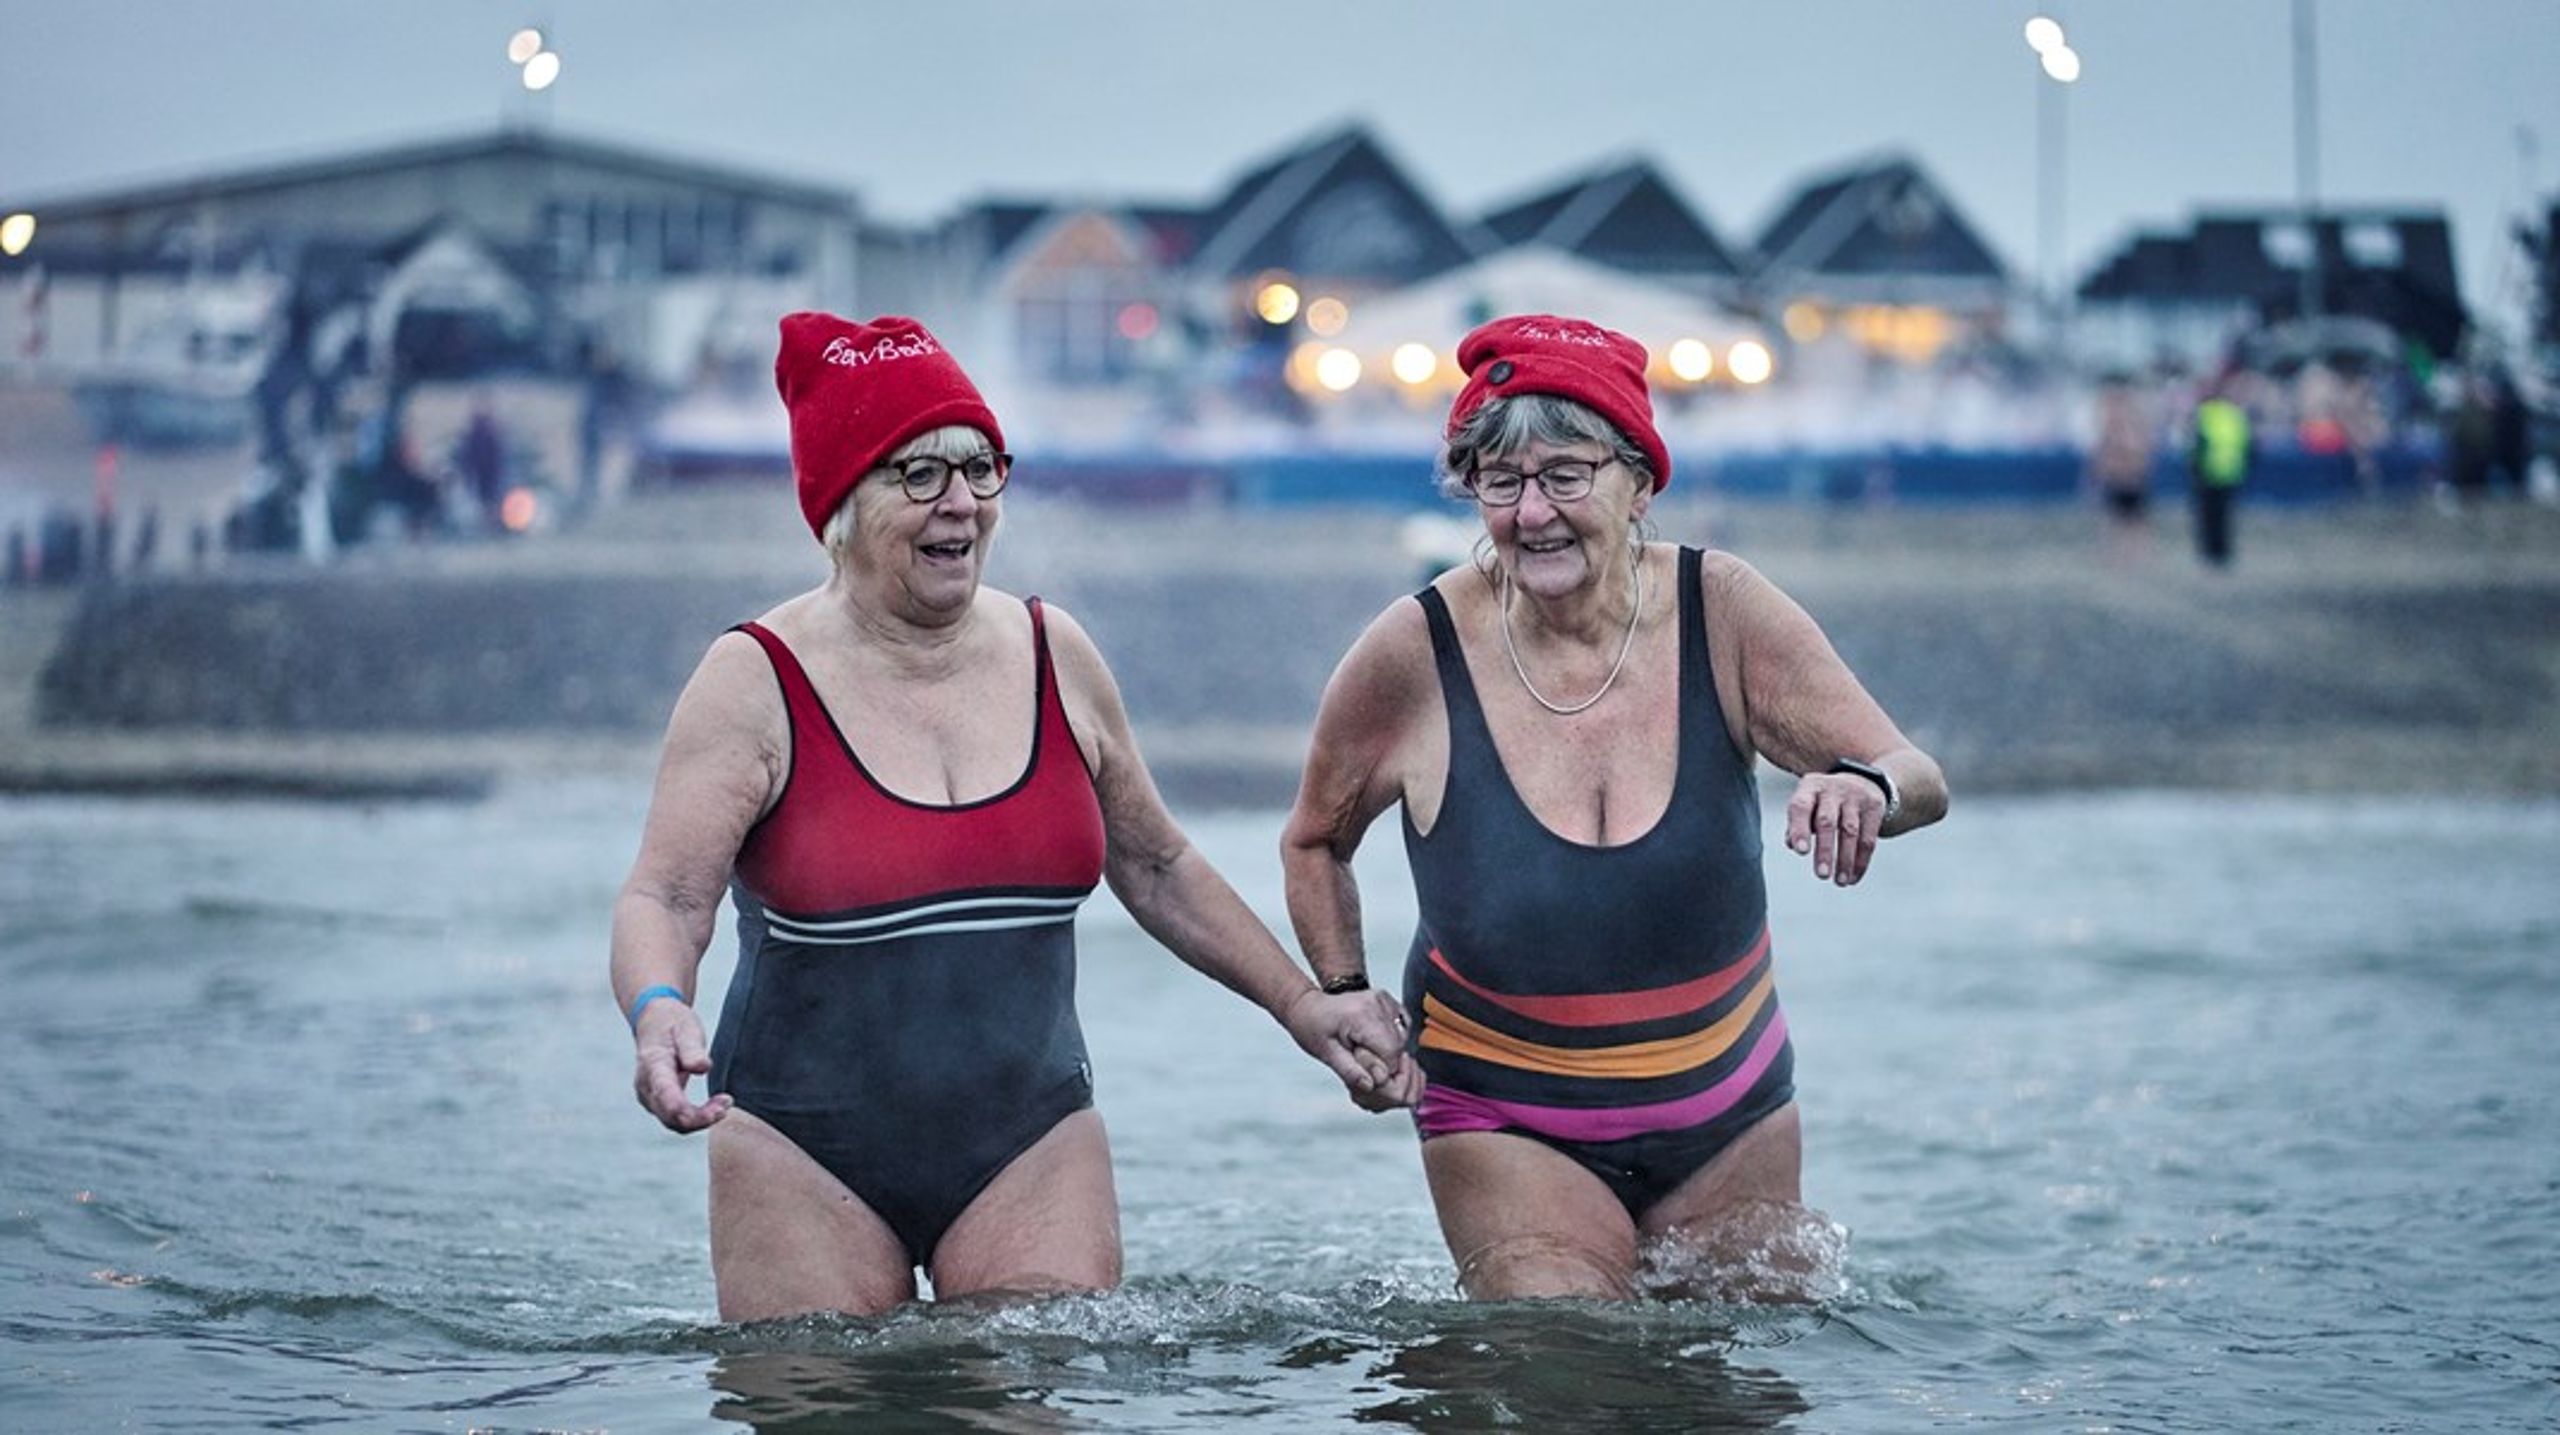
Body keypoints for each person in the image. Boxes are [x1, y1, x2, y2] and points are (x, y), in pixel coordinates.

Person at [610, 313, 1412, 1321]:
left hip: (1030, 1141)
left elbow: (1156, 863)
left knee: (1032, 1384)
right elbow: (666, 893)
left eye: (980, 467)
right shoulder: (753, 681)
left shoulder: (1054, 652)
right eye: (919, 474)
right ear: (841, 505)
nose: (961, 504)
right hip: (798, 1144)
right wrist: (657, 1008)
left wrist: (1304, 1007)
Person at [1281, 314, 1947, 1301]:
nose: (1531, 512)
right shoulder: (1413, 652)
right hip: (1505, 1112)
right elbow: (1314, 839)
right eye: (1499, 482)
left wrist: (1865, 787)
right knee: (1564, 1359)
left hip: (1731, 1112)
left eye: (1565, 474)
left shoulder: (1721, 612)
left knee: (1746, 1373)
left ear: (1639, 479)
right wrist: (1342, 988)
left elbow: (1916, 774)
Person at [2189, 376, 2254, 567]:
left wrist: (2194, 468)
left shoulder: (2204, 414)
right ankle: (2224, 553)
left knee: (2208, 516)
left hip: (2208, 473)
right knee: (2225, 516)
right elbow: (2248, 445)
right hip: (2231, 472)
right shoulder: (2235, 414)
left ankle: (2209, 553)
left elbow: (2196, 445)